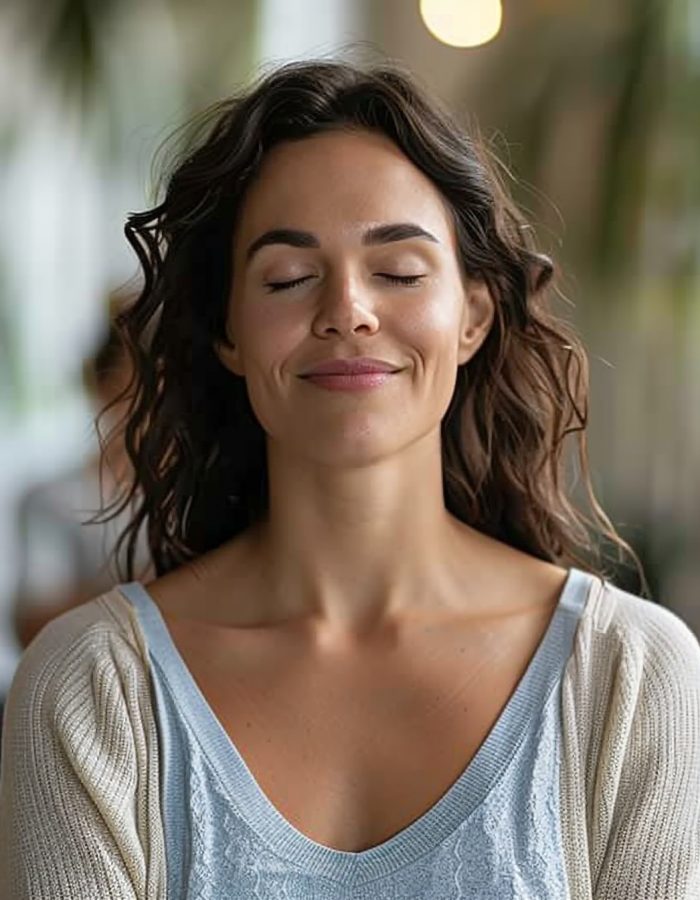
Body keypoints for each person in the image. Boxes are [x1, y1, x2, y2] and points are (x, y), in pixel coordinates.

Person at [1, 59, 698, 899]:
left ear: (473, 315)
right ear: (227, 332)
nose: (348, 310)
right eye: (289, 278)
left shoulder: (630, 674)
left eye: (399, 271)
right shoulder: (91, 687)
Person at [10, 306, 151, 650]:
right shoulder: (54, 498)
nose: (150, 408)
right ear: (102, 387)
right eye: (134, 390)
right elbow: (32, 626)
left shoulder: (204, 498)